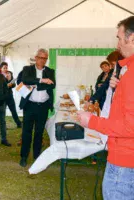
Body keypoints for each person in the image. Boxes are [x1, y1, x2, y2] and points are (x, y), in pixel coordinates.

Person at [78, 16, 134, 200]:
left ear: (132, 38)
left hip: (124, 163)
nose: (117, 44)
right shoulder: (127, 71)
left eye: (119, 38)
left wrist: (91, 121)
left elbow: (130, 126)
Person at [18, 48, 55, 167]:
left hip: (43, 106)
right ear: (36, 58)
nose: (43, 60)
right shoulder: (27, 69)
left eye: (45, 58)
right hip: (29, 105)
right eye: (41, 58)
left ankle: (36, 156)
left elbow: (53, 84)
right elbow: (25, 80)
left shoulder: (50, 71)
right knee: (26, 132)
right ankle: (24, 156)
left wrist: (35, 84)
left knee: (39, 132)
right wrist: (42, 80)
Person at [0, 62, 22, 128]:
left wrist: (11, 82)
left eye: (6, 67)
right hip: (3, 97)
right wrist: (6, 81)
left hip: (9, 96)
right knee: (3, 112)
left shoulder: (10, 73)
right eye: (4, 68)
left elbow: (14, 85)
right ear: (1, 69)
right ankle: (3, 126)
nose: (6, 69)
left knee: (13, 110)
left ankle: (19, 124)